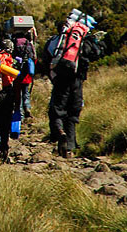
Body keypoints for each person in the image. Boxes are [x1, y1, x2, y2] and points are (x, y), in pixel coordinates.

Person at [48, 27, 104, 158]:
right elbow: (97, 53)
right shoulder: (85, 41)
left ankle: (60, 132)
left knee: (57, 110)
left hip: (61, 79)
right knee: (72, 113)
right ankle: (70, 148)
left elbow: (47, 57)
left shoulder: (58, 40)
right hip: (77, 81)